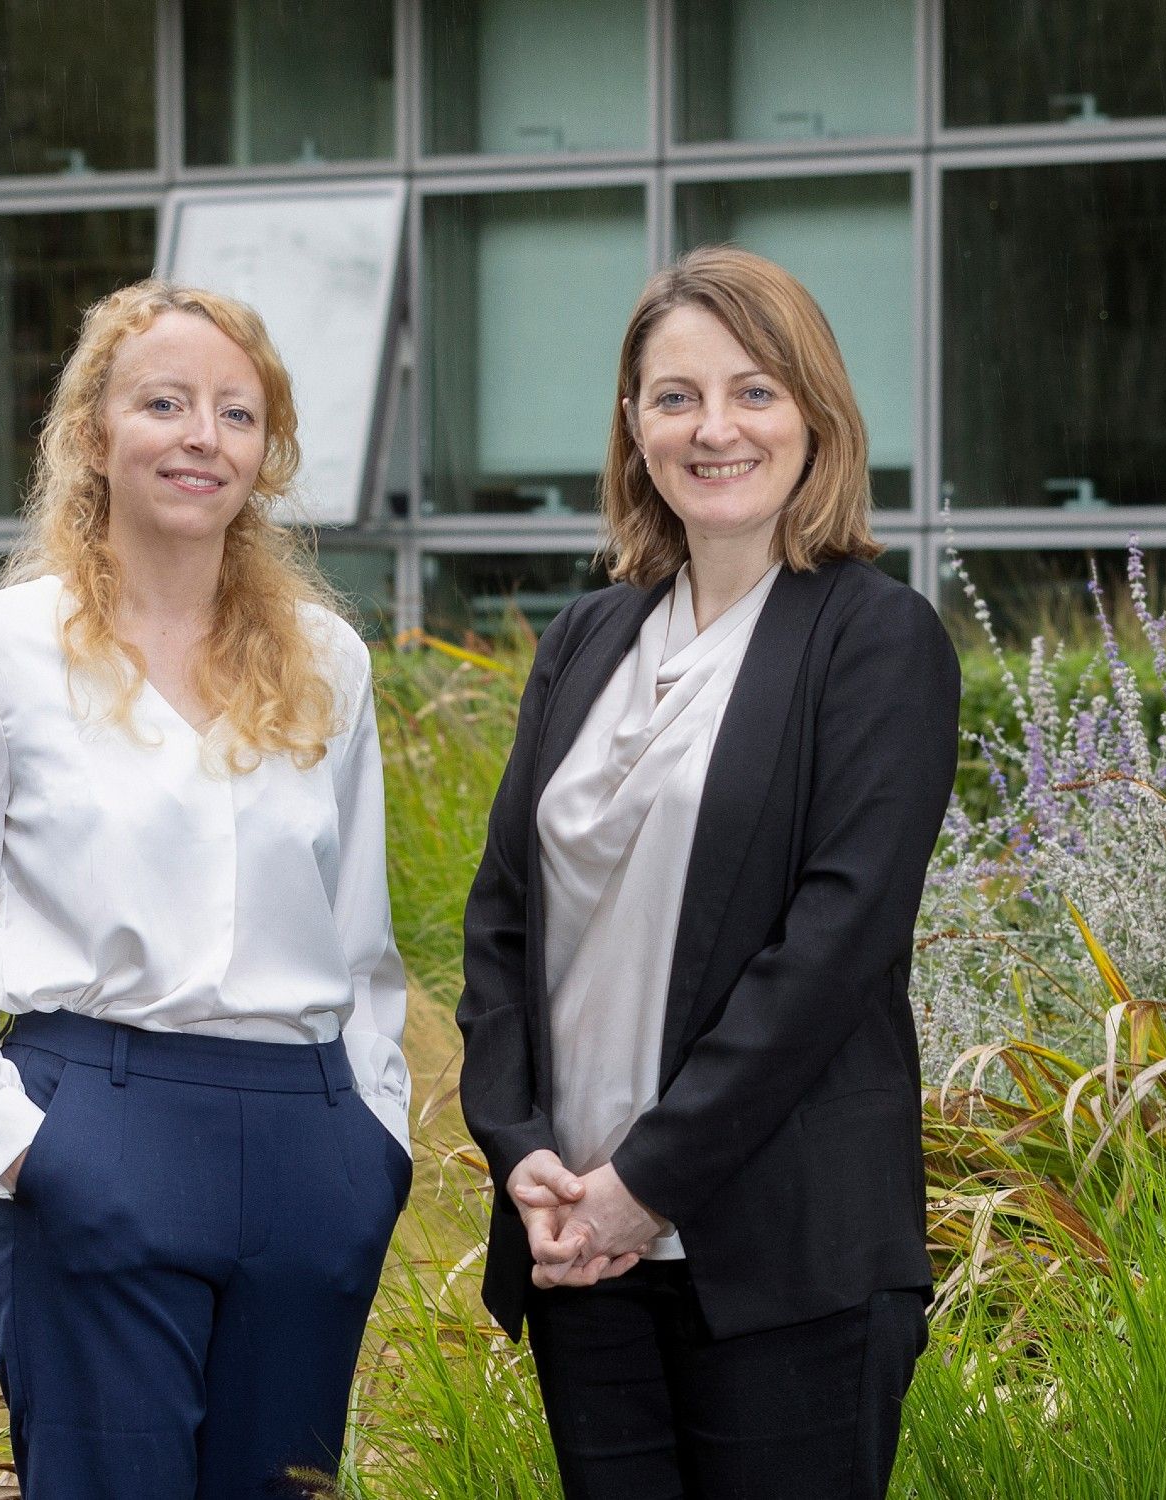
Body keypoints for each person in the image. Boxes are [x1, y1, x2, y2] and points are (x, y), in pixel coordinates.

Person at [0, 280, 411, 1499]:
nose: (198, 437)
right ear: (91, 436)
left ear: (263, 455)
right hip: (96, 1129)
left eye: (234, 413)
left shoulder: (329, 662)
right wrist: (18, 1147)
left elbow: (363, 946)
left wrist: (369, 1142)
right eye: (162, 402)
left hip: (305, 1145)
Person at [456, 246, 960, 1499]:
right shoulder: (588, 636)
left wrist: (649, 1183)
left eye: (752, 391)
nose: (711, 427)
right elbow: (504, 921)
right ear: (632, 428)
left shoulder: (874, 640)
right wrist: (516, 1145)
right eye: (673, 396)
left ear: (813, 415)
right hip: (580, 1246)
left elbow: (829, 955)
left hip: (783, 1258)